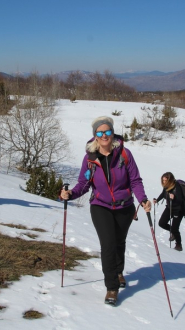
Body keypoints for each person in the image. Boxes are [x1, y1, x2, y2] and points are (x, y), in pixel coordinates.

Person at [60, 116, 151, 306]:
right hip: (100, 206)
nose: (104, 135)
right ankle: (112, 287)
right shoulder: (90, 159)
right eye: (99, 133)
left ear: (112, 132)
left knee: (119, 242)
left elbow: (135, 180)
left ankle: (118, 272)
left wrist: (142, 199)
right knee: (108, 244)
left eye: (107, 131)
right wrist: (71, 194)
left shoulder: (125, 154)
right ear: (95, 136)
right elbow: (84, 183)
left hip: (125, 206)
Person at [153, 172, 185, 251]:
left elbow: (180, 200)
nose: (164, 182)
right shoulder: (167, 186)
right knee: (161, 223)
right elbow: (163, 193)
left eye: (165, 180)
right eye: (163, 180)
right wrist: (157, 200)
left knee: (175, 228)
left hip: (178, 210)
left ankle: (179, 245)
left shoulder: (177, 186)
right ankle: (173, 233)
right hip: (169, 207)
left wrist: (173, 198)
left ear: (170, 180)